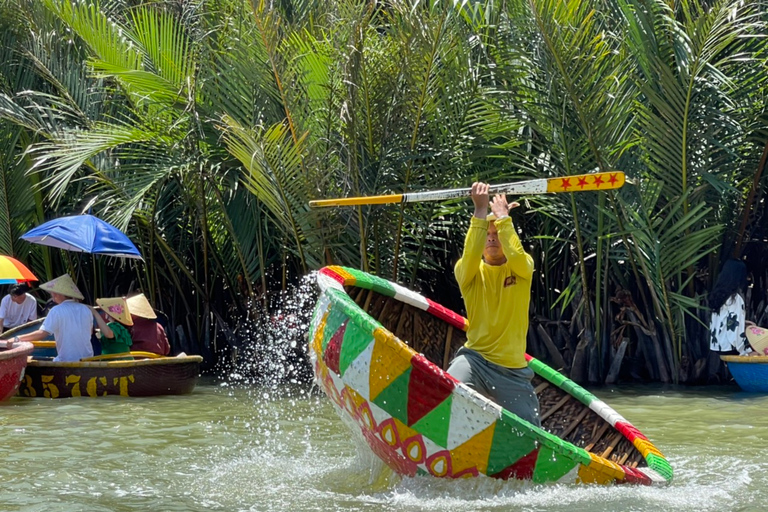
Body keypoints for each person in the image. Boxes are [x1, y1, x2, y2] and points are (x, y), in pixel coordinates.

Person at [447, 182, 540, 426]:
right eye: (487, 235)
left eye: (496, 234)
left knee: (530, 430)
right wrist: (479, 212)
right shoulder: (468, 272)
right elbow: (470, 252)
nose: (491, 238)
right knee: (449, 389)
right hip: (475, 360)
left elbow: (517, 255)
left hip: (512, 370)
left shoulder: (522, 268)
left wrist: (503, 219)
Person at [9, 274, 110, 361]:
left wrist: (17, 338)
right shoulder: (86, 309)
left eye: (53, 292)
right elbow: (89, 332)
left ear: (58, 294)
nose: (52, 295)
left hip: (67, 361)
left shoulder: (56, 311)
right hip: (87, 359)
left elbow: (41, 334)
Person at [709, 259, 754, 356]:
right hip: (730, 347)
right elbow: (733, 329)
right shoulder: (735, 299)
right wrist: (744, 351)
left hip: (717, 345)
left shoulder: (719, 296)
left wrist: (743, 322)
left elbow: (723, 320)